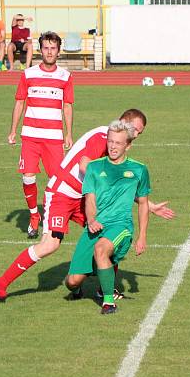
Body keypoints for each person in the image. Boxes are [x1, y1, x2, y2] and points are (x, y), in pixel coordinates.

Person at [0, 109, 174, 301]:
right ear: (124, 122)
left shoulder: (115, 142)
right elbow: (84, 165)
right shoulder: (103, 136)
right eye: (135, 130)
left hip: (84, 197)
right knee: (49, 245)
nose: (136, 135)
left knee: (109, 231)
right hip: (62, 193)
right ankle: (2, 283)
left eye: (139, 133)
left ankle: (102, 289)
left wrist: (149, 205)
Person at [63, 120, 152, 315]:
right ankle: (80, 285)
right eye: (110, 141)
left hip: (121, 225)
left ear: (128, 145)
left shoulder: (139, 170)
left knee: (101, 249)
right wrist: (92, 220)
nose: (112, 146)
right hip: (95, 226)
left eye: (118, 143)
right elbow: (90, 199)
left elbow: (144, 203)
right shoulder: (94, 168)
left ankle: (108, 302)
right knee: (72, 282)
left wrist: (142, 236)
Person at [7, 31, 73, 239]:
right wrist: (13, 131)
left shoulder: (65, 76)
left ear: (58, 51)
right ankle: (34, 216)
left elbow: (68, 106)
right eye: (46, 48)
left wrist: (69, 133)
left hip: (54, 138)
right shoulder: (28, 74)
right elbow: (19, 102)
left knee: (57, 181)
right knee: (28, 177)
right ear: (40, 50)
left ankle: (53, 218)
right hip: (31, 136)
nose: (49, 52)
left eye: (53, 48)